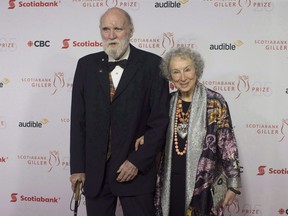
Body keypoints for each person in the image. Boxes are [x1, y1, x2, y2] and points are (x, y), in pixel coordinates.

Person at [69, 7, 170, 216]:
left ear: (131, 31)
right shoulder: (86, 65)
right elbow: (78, 121)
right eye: (106, 29)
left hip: (135, 172)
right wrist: (77, 167)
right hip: (96, 173)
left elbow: (160, 122)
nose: (111, 35)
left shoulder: (153, 65)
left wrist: (137, 161)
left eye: (118, 28)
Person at [137, 47, 241, 215]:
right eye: (176, 72)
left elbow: (227, 144)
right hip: (170, 181)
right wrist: (146, 138)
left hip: (203, 185)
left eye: (187, 70)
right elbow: (156, 132)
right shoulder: (167, 102)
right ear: (170, 77)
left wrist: (233, 183)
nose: (183, 77)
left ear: (197, 70)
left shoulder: (215, 102)